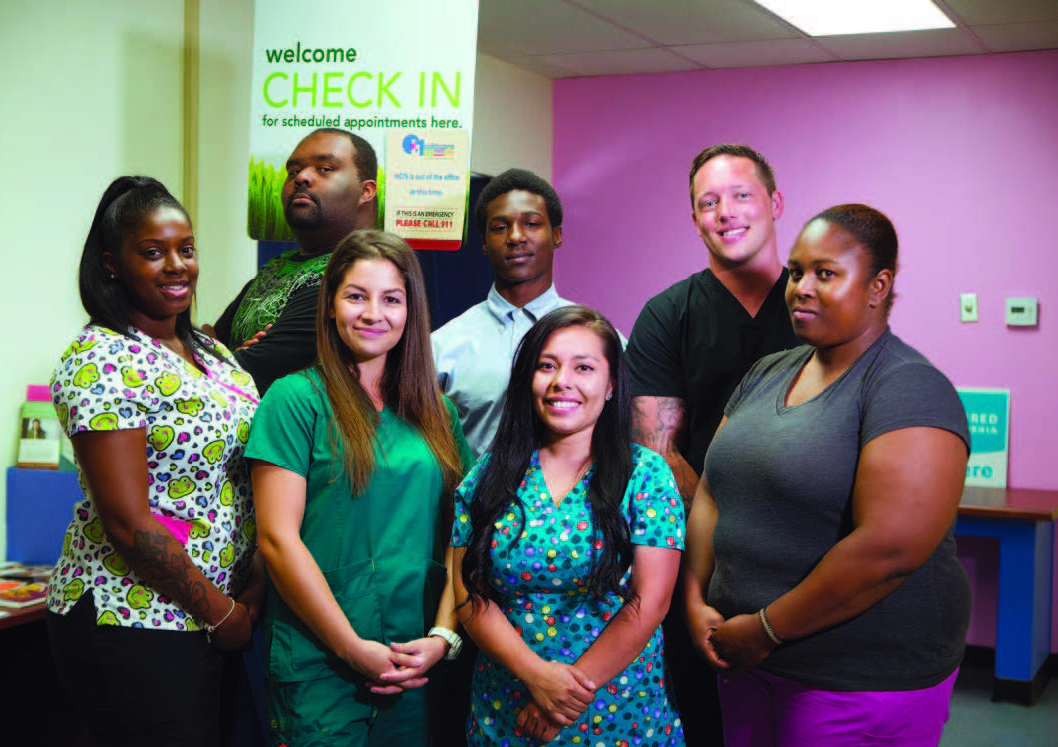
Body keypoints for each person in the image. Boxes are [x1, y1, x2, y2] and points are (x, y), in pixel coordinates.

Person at [684, 204, 971, 746]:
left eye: (826, 273)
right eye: (795, 272)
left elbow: (889, 551)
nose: (801, 288)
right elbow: (713, 490)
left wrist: (766, 629)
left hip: (857, 677)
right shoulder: (769, 371)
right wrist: (697, 600)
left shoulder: (907, 387)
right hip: (745, 658)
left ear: (877, 285)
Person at [46, 176, 264, 747]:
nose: (176, 266)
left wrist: (250, 592)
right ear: (112, 264)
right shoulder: (100, 358)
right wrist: (223, 614)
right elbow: (127, 519)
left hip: (216, 618)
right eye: (153, 252)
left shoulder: (210, 352)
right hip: (136, 621)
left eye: (185, 249)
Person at [247, 229, 474, 746]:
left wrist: (443, 635)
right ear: (329, 306)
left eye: (391, 299)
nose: (374, 313)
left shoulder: (436, 415)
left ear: (411, 311)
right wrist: (351, 647)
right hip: (320, 665)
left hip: (412, 657)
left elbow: (464, 529)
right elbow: (278, 541)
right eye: (356, 296)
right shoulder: (294, 400)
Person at [626, 143, 798, 743]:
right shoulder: (669, 315)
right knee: (705, 723)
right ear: (695, 217)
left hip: (808, 571)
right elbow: (659, 454)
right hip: (698, 572)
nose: (725, 212)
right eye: (708, 202)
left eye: (741, 195)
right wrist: (725, 542)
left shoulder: (816, 309)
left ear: (775, 203)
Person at [453, 305, 686, 746]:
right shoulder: (488, 474)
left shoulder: (646, 475)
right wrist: (536, 676)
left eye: (584, 367)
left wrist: (564, 696)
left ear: (612, 383)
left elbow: (650, 602)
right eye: (547, 366)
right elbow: (467, 592)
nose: (563, 382)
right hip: (507, 710)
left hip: (618, 713)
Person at [210, 127, 378, 394]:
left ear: (365, 190)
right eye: (293, 171)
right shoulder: (280, 264)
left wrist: (228, 358)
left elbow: (253, 369)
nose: (302, 177)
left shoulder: (358, 272)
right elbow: (210, 342)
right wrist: (223, 355)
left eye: (324, 168)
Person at [433, 168, 581, 460]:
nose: (516, 237)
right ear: (484, 243)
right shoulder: (441, 347)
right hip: (472, 503)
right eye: (500, 227)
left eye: (531, 223)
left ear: (557, 235)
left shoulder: (597, 340)